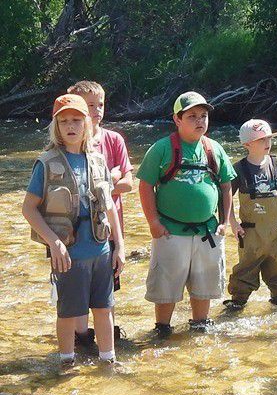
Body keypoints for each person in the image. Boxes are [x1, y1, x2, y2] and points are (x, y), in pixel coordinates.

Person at [22, 94, 125, 365]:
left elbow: (110, 208)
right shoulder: (46, 163)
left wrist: (120, 246)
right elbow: (29, 208)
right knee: (68, 313)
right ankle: (66, 363)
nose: (71, 126)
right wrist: (53, 242)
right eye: (64, 121)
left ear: (87, 124)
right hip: (67, 253)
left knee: (104, 309)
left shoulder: (98, 160)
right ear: (55, 126)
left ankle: (108, 361)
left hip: (101, 249)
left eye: (77, 120)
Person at [136, 91, 236, 336]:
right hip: (171, 231)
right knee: (166, 286)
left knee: (205, 285)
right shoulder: (161, 149)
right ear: (177, 119)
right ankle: (162, 329)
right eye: (192, 116)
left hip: (207, 231)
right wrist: (153, 223)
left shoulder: (215, 150)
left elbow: (226, 186)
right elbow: (145, 185)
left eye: (203, 116)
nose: (200, 121)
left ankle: (200, 325)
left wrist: (224, 222)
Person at [67, 80, 133, 346]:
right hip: (76, 233)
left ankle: (109, 336)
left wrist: (105, 184)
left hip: (108, 230)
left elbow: (129, 182)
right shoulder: (68, 144)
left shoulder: (113, 140)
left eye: (100, 104)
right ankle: (81, 336)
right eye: (90, 105)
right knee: (77, 291)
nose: (97, 110)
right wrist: (108, 180)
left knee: (108, 290)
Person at [224, 119, 277, 310]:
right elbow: (226, 199)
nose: (267, 143)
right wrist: (233, 223)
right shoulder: (238, 169)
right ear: (247, 144)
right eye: (261, 140)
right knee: (245, 270)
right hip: (251, 234)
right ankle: (237, 303)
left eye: (269, 139)